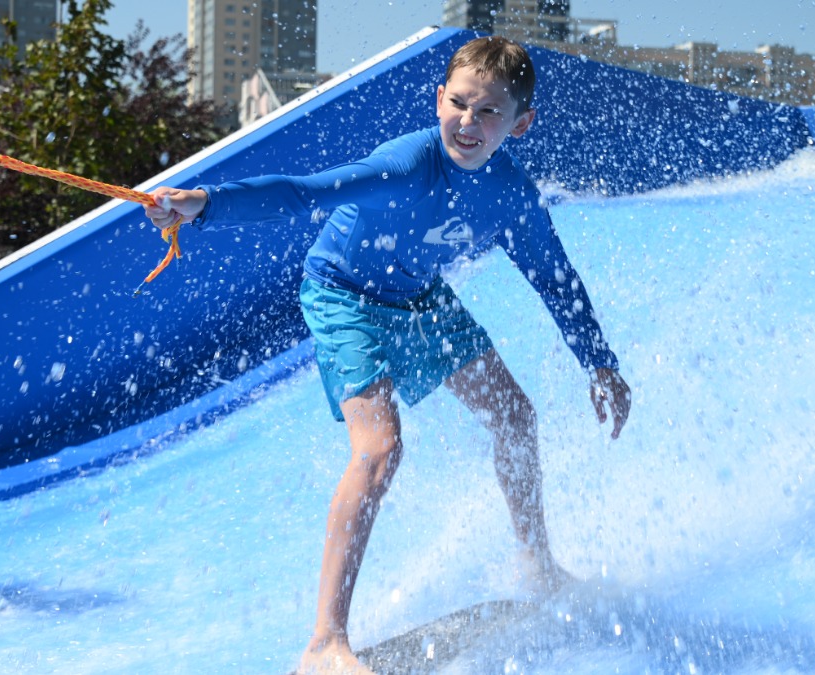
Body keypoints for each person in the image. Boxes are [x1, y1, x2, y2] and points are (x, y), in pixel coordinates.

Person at [146, 35, 631, 675]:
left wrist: (599, 363)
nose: (469, 122)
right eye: (459, 104)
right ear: (439, 100)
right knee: (379, 449)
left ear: (520, 124)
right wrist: (204, 205)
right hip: (342, 294)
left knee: (515, 416)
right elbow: (303, 192)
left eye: (490, 112)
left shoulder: (512, 194)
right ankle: (324, 644)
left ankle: (537, 567)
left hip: (417, 297)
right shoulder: (406, 164)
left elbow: (554, 274)